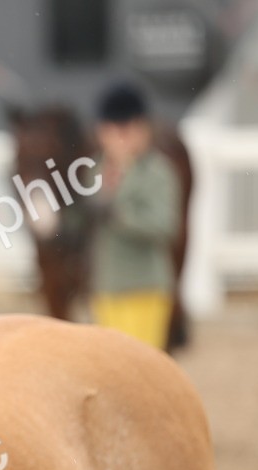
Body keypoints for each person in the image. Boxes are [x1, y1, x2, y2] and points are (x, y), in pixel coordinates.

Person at [87, 81, 182, 350]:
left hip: (144, 288)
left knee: (140, 369)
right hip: (106, 286)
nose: (121, 137)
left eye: (128, 129)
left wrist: (118, 212)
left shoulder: (157, 172)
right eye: (113, 130)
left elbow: (164, 226)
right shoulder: (93, 172)